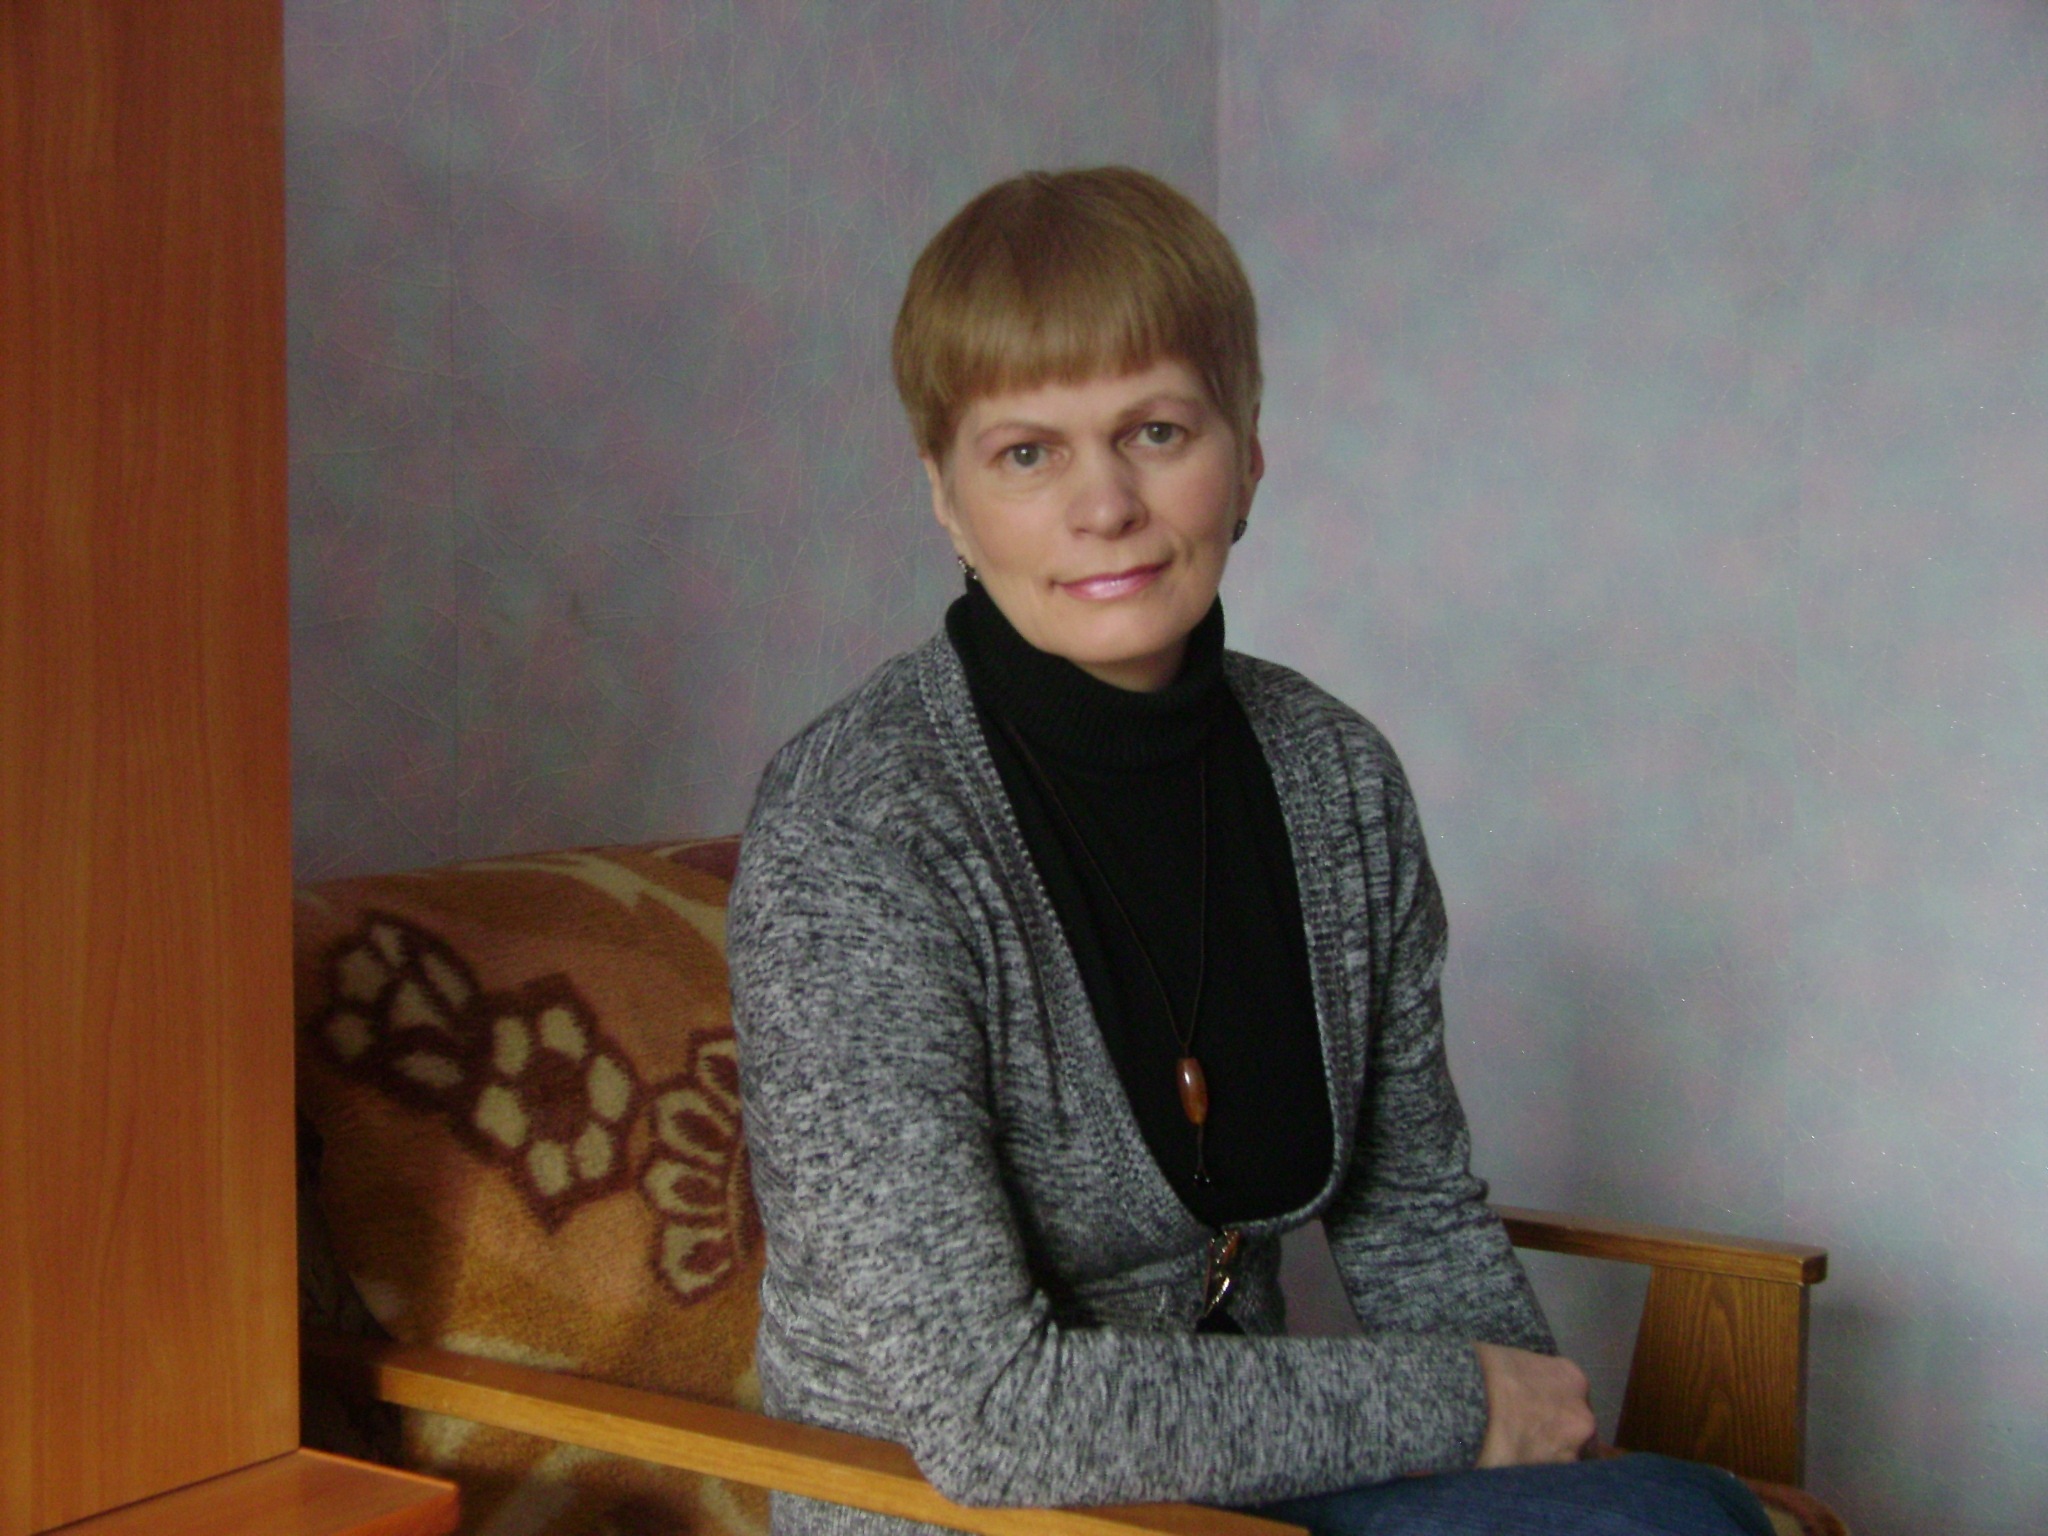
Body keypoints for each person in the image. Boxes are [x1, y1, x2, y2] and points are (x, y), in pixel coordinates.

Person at [727, 167, 1774, 1536]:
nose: (1105, 505)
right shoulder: (857, 828)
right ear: (945, 495)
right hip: (959, 1510)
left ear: (1248, 453)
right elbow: (985, 1411)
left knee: (1672, 1515)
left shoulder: (1333, 775)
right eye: (1028, 454)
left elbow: (1414, 1215)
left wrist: (1543, 1458)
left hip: (1248, 1486)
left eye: (1156, 431)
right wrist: (1463, 1404)